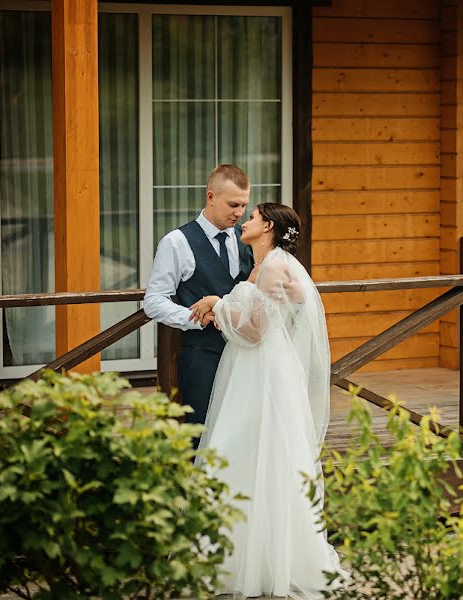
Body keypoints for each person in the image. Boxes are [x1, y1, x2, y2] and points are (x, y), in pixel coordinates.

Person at [188, 203, 344, 599]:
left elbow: (256, 331)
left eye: (253, 217)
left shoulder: (275, 266)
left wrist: (216, 304)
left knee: (258, 450)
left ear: (268, 226)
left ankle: (265, 560)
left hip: (264, 371)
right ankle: (240, 554)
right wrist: (223, 304)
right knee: (244, 450)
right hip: (252, 369)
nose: (245, 221)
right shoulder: (266, 265)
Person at [143, 164, 254, 431]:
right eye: (233, 205)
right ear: (211, 197)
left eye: (244, 205)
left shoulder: (247, 239)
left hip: (246, 357)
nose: (239, 213)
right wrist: (196, 318)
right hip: (202, 356)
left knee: (241, 433)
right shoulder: (176, 242)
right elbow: (154, 301)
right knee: (201, 434)